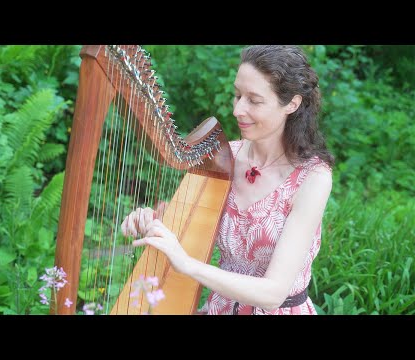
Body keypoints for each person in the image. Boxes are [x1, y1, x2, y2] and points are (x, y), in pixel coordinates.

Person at [121, 45, 334, 315]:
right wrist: (151, 222)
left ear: (292, 103)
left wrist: (186, 264)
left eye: (254, 100)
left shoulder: (312, 178)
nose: (237, 110)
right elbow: (184, 231)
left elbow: (273, 293)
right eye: (237, 95)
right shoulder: (223, 159)